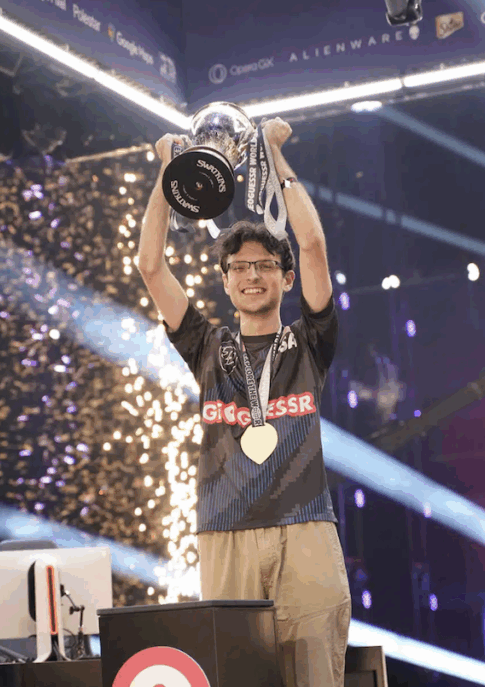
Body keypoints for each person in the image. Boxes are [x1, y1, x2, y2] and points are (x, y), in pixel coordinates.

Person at [137, 119, 351, 687]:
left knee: (317, 678)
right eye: (239, 267)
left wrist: (275, 156)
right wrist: (167, 175)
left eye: (265, 266)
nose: (252, 275)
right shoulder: (207, 347)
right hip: (224, 532)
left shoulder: (310, 342)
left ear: (285, 279)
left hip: (305, 528)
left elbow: (312, 245)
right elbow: (150, 266)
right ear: (226, 282)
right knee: (237, 679)